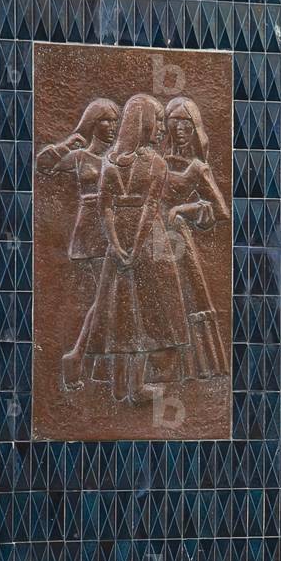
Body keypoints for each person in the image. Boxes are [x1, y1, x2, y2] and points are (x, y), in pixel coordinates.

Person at [82, 94, 190, 403]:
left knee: (126, 311)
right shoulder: (154, 163)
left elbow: (108, 209)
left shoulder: (110, 162)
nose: (161, 129)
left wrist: (117, 246)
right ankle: (129, 388)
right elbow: (147, 207)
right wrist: (127, 248)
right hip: (143, 242)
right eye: (157, 122)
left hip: (127, 242)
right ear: (142, 123)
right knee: (134, 312)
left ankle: (129, 386)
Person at [36, 98, 121, 389]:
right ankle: (81, 359)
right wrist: (64, 145)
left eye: (115, 121)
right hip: (91, 232)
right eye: (105, 121)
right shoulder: (80, 157)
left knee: (107, 298)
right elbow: (44, 165)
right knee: (105, 297)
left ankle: (90, 361)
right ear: (92, 124)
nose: (111, 127)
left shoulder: (118, 158)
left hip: (114, 229)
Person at [161, 96, 230, 379]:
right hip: (149, 237)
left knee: (186, 298)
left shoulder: (197, 167)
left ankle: (194, 368)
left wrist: (184, 208)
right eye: (173, 122)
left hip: (177, 239)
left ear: (195, 127)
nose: (179, 129)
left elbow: (221, 210)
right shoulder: (157, 160)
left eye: (185, 123)